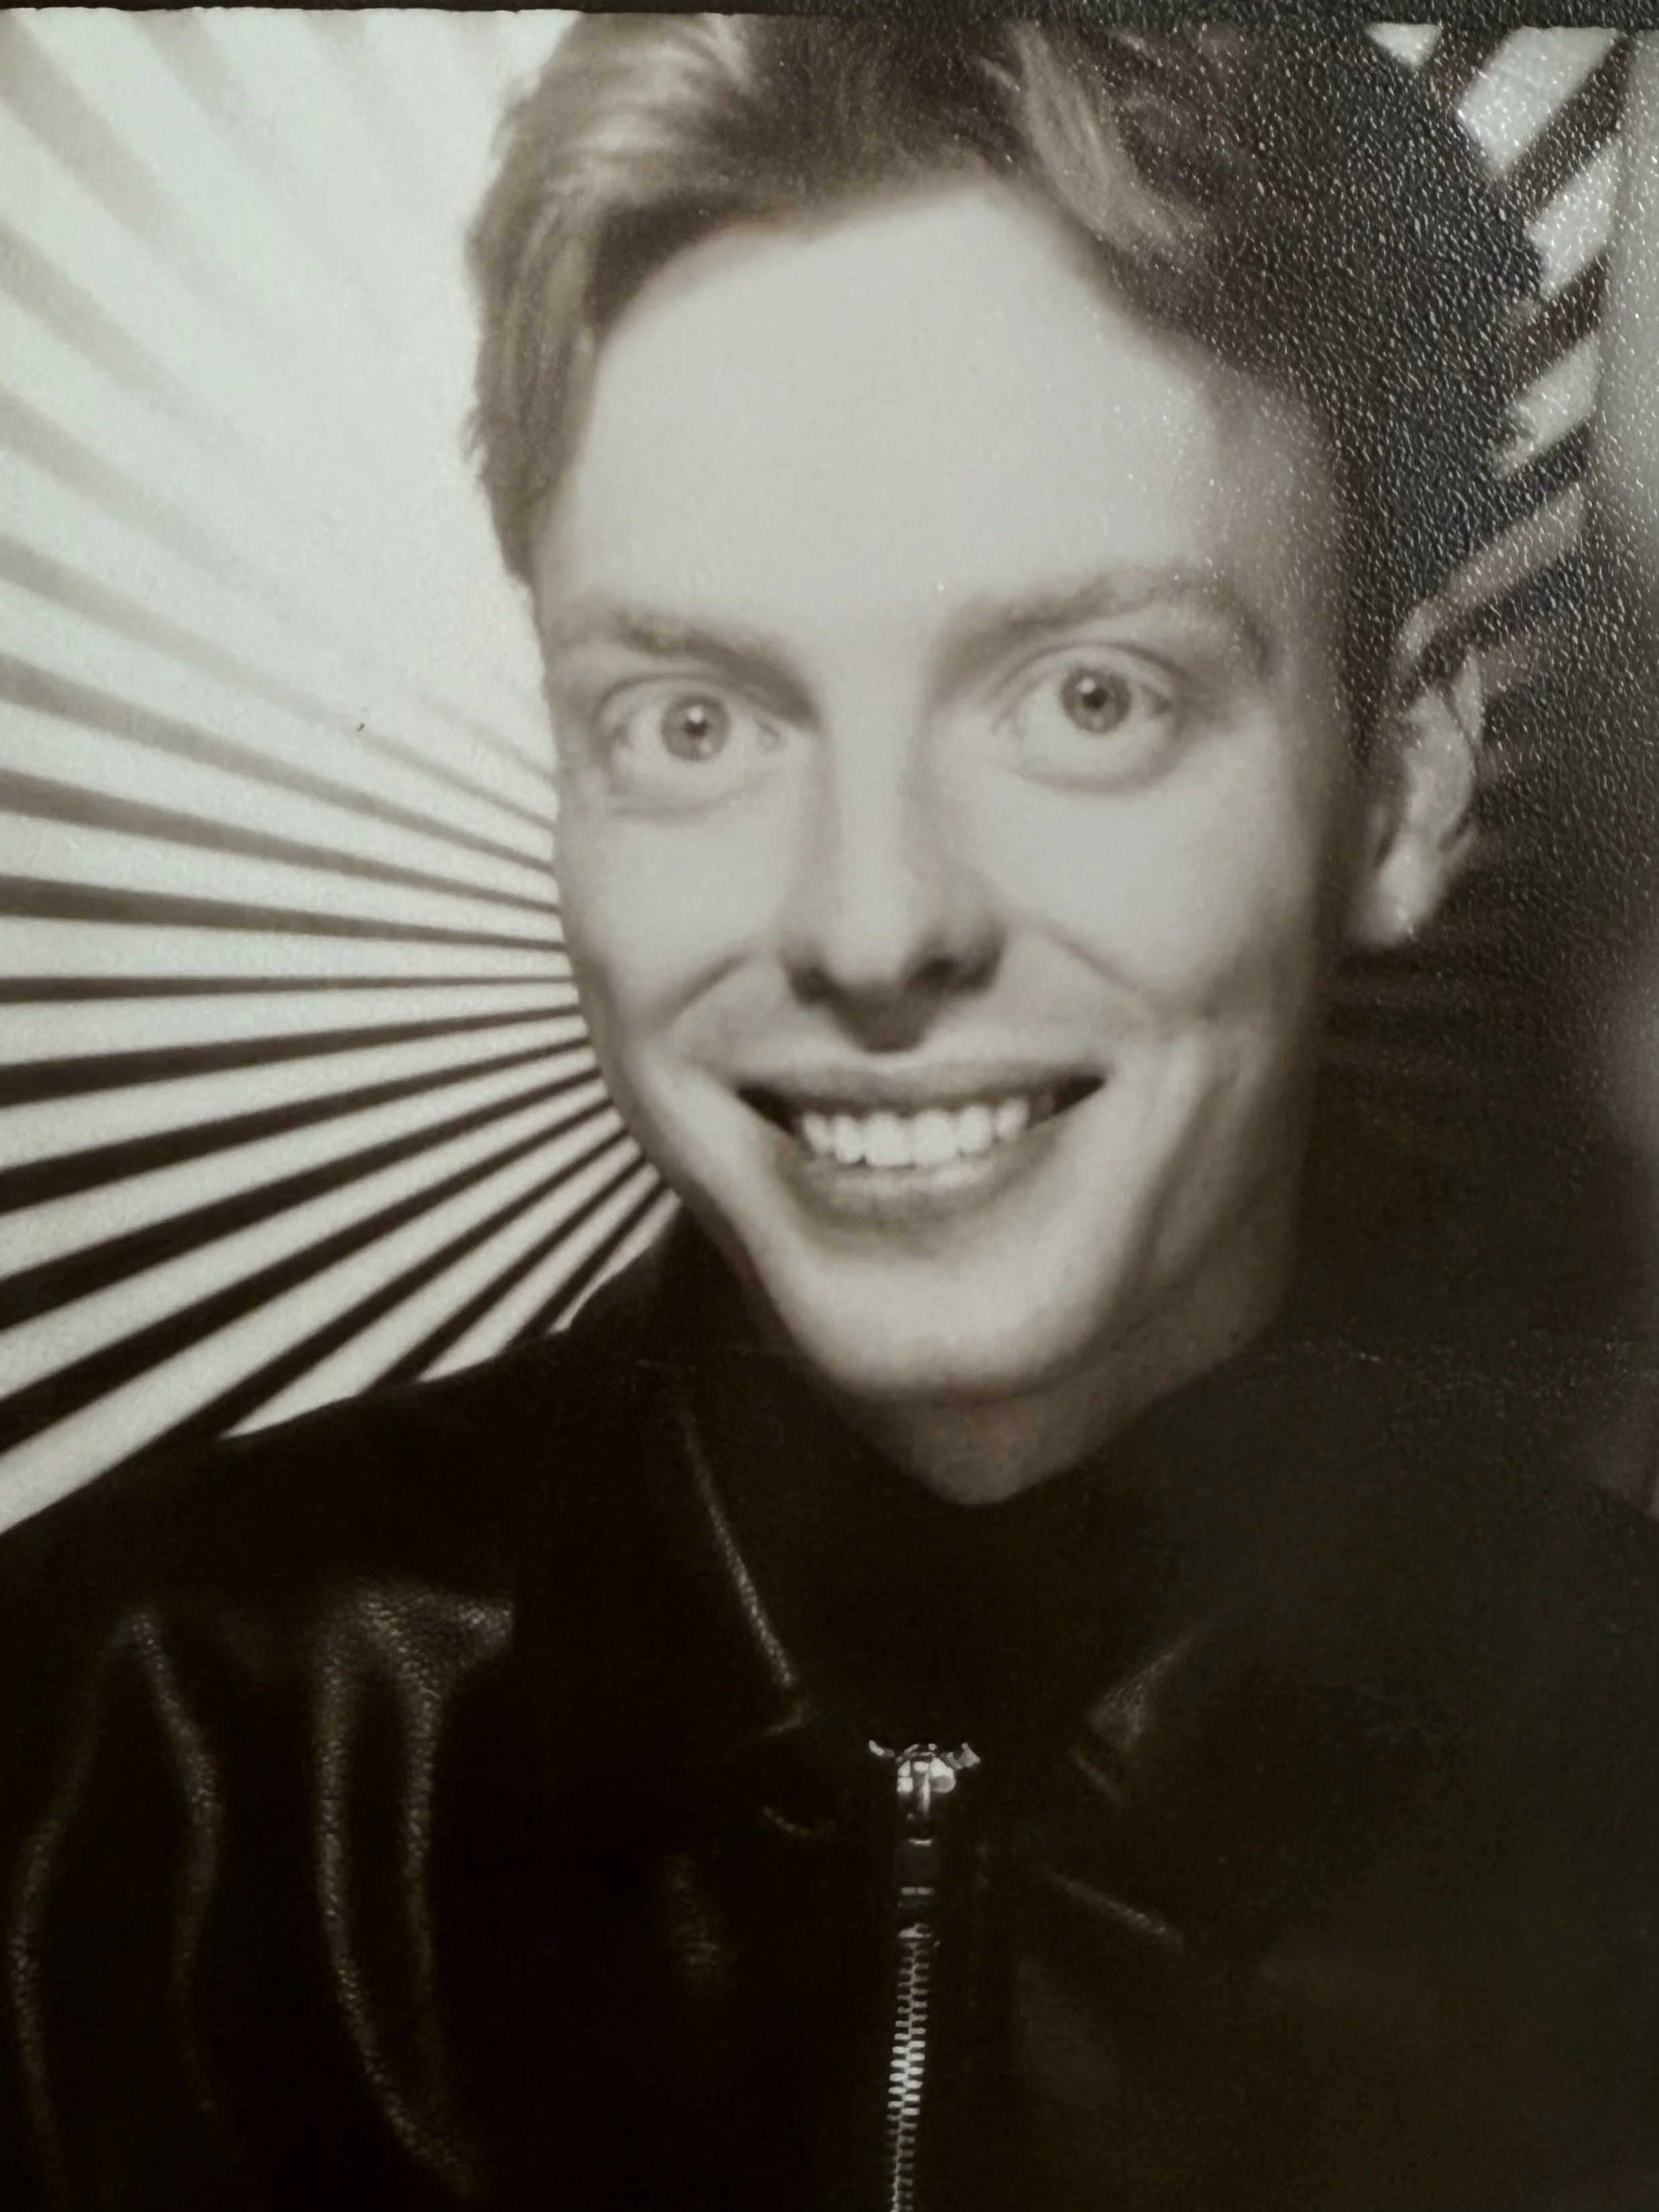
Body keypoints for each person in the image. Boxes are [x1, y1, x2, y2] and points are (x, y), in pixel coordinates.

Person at [3, 19, 1659, 2210]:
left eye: (1091, 696)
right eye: (693, 718)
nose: (872, 925)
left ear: (1409, 776)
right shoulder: (113, 1771)